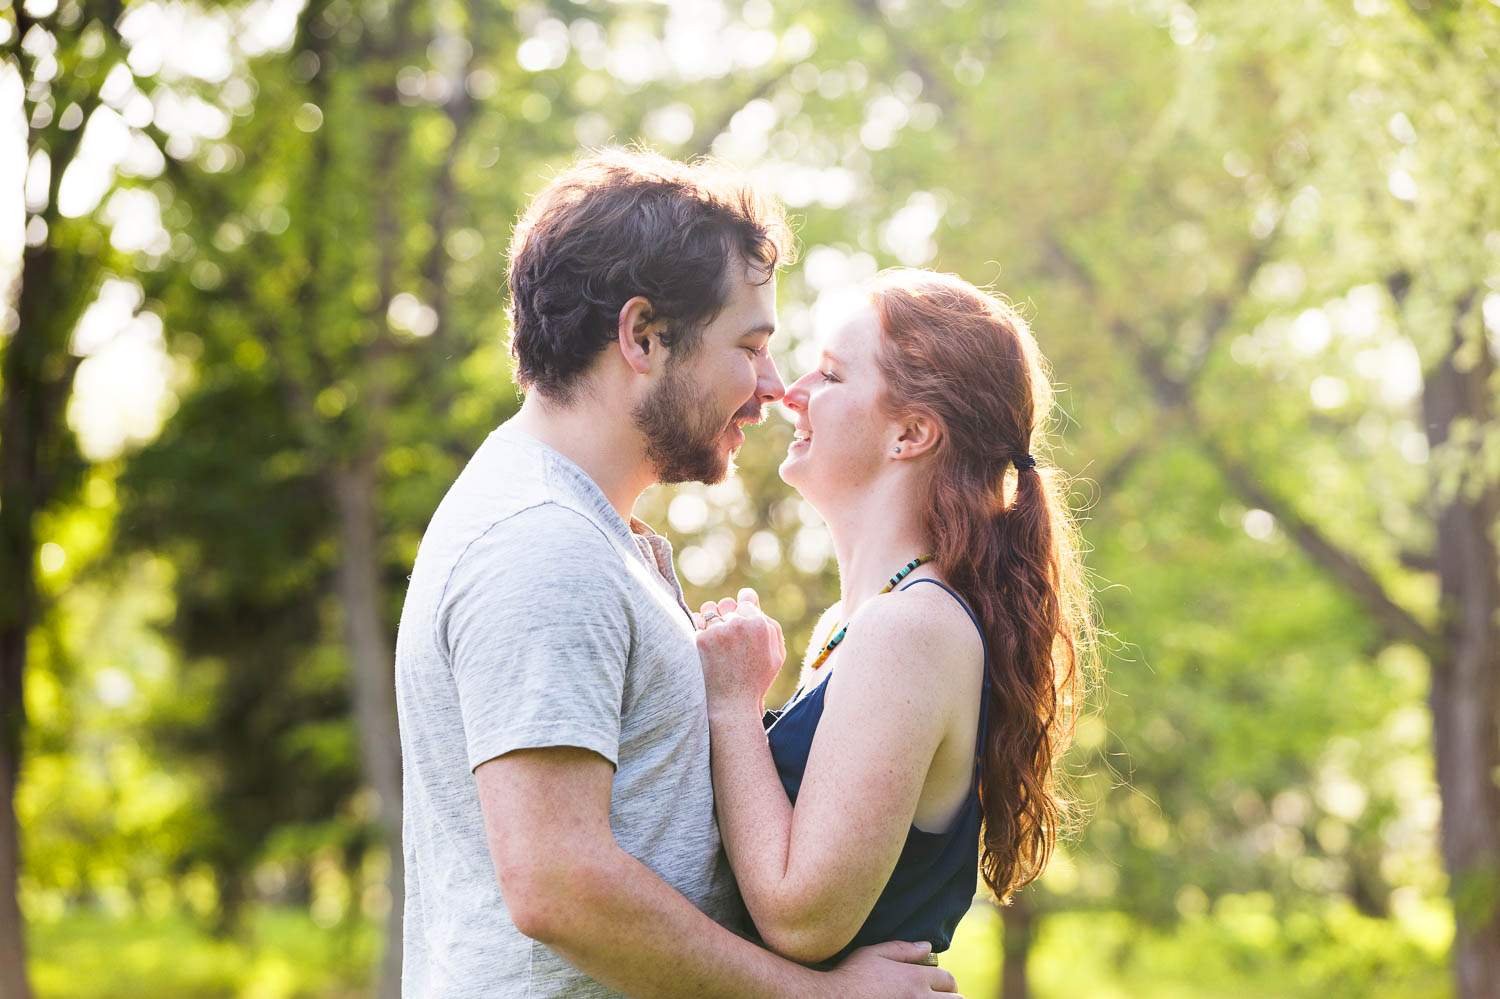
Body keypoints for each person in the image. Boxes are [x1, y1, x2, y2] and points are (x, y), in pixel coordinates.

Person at [393, 149, 960, 997]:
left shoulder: (600, 535)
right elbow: (558, 887)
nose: (773, 387)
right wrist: (820, 996)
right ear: (645, 337)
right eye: (750, 346)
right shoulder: (542, 545)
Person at [694, 268, 1093, 965]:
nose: (792, 393)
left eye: (831, 375)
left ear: (909, 433)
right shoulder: (856, 626)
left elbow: (801, 918)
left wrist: (732, 705)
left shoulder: (911, 629)